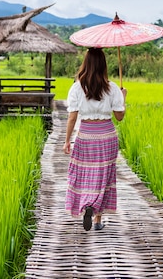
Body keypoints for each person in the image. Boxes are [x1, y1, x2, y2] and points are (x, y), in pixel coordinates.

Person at [63, 47, 127, 231]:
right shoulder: (112, 87)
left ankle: (87, 206)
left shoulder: (77, 87)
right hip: (107, 135)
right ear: (103, 65)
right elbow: (120, 117)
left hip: (85, 134)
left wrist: (67, 140)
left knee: (85, 174)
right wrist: (123, 98)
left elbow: (72, 117)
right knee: (104, 175)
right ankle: (98, 219)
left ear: (86, 64)